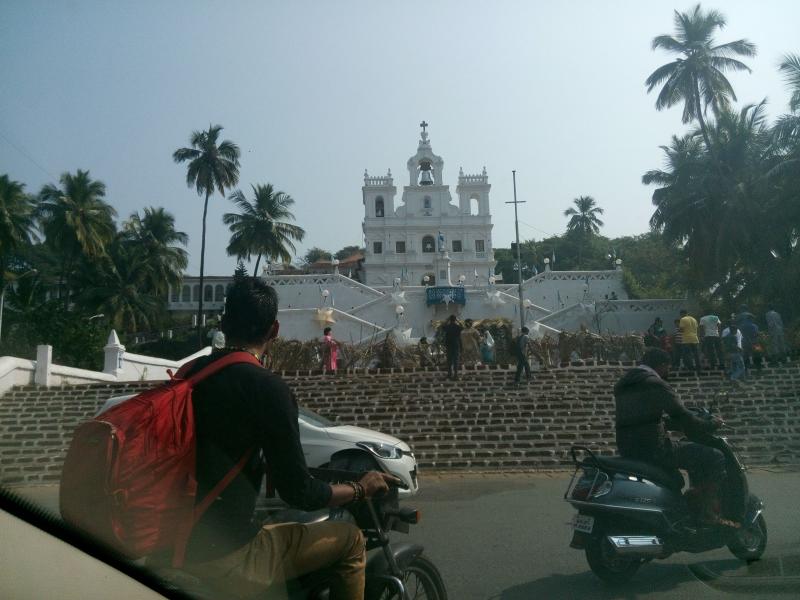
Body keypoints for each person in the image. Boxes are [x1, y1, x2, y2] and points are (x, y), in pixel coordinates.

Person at [177, 278, 396, 599]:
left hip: (170, 539)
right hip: (225, 554)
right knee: (350, 539)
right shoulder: (266, 388)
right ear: (275, 330)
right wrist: (361, 488)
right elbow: (299, 493)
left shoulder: (190, 373)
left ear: (222, 323)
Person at [614, 348, 727, 524]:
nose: (668, 372)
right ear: (662, 365)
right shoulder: (655, 384)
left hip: (627, 447)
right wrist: (711, 424)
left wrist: (666, 423)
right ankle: (707, 511)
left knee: (679, 472)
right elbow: (683, 416)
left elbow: (642, 417)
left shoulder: (623, 384)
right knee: (715, 457)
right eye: (668, 368)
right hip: (654, 449)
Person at [441, 315, 463, 380]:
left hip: (449, 345)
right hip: (456, 344)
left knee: (449, 360)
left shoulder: (447, 327)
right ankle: (456, 374)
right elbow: (462, 326)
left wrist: (447, 320)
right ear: (455, 320)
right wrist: (458, 320)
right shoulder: (457, 327)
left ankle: (449, 374)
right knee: (456, 360)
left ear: (449, 320)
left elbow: (442, 326)